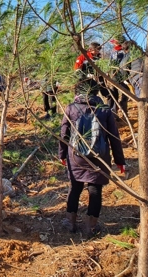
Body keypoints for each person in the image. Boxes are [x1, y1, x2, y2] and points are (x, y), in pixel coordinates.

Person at [58, 80, 125, 235]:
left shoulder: (71, 108)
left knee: (75, 188)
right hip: (98, 156)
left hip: (76, 156)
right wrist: (120, 161)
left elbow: (64, 135)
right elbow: (114, 137)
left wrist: (62, 155)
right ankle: (91, 227)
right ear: (96, 92)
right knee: (95, 190)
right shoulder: (105, 110)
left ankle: (70, 222)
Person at [110, 40, 132, 115]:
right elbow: (110, 62)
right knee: (114, 93)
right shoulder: (113, 51)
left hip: (123, 74)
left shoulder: (124, 50)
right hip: (114, 75)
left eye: (115, 41)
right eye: (113, 42)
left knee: (125, 92)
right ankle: (113, 112)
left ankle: (124, 110)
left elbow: (126, 63)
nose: (113, 43)